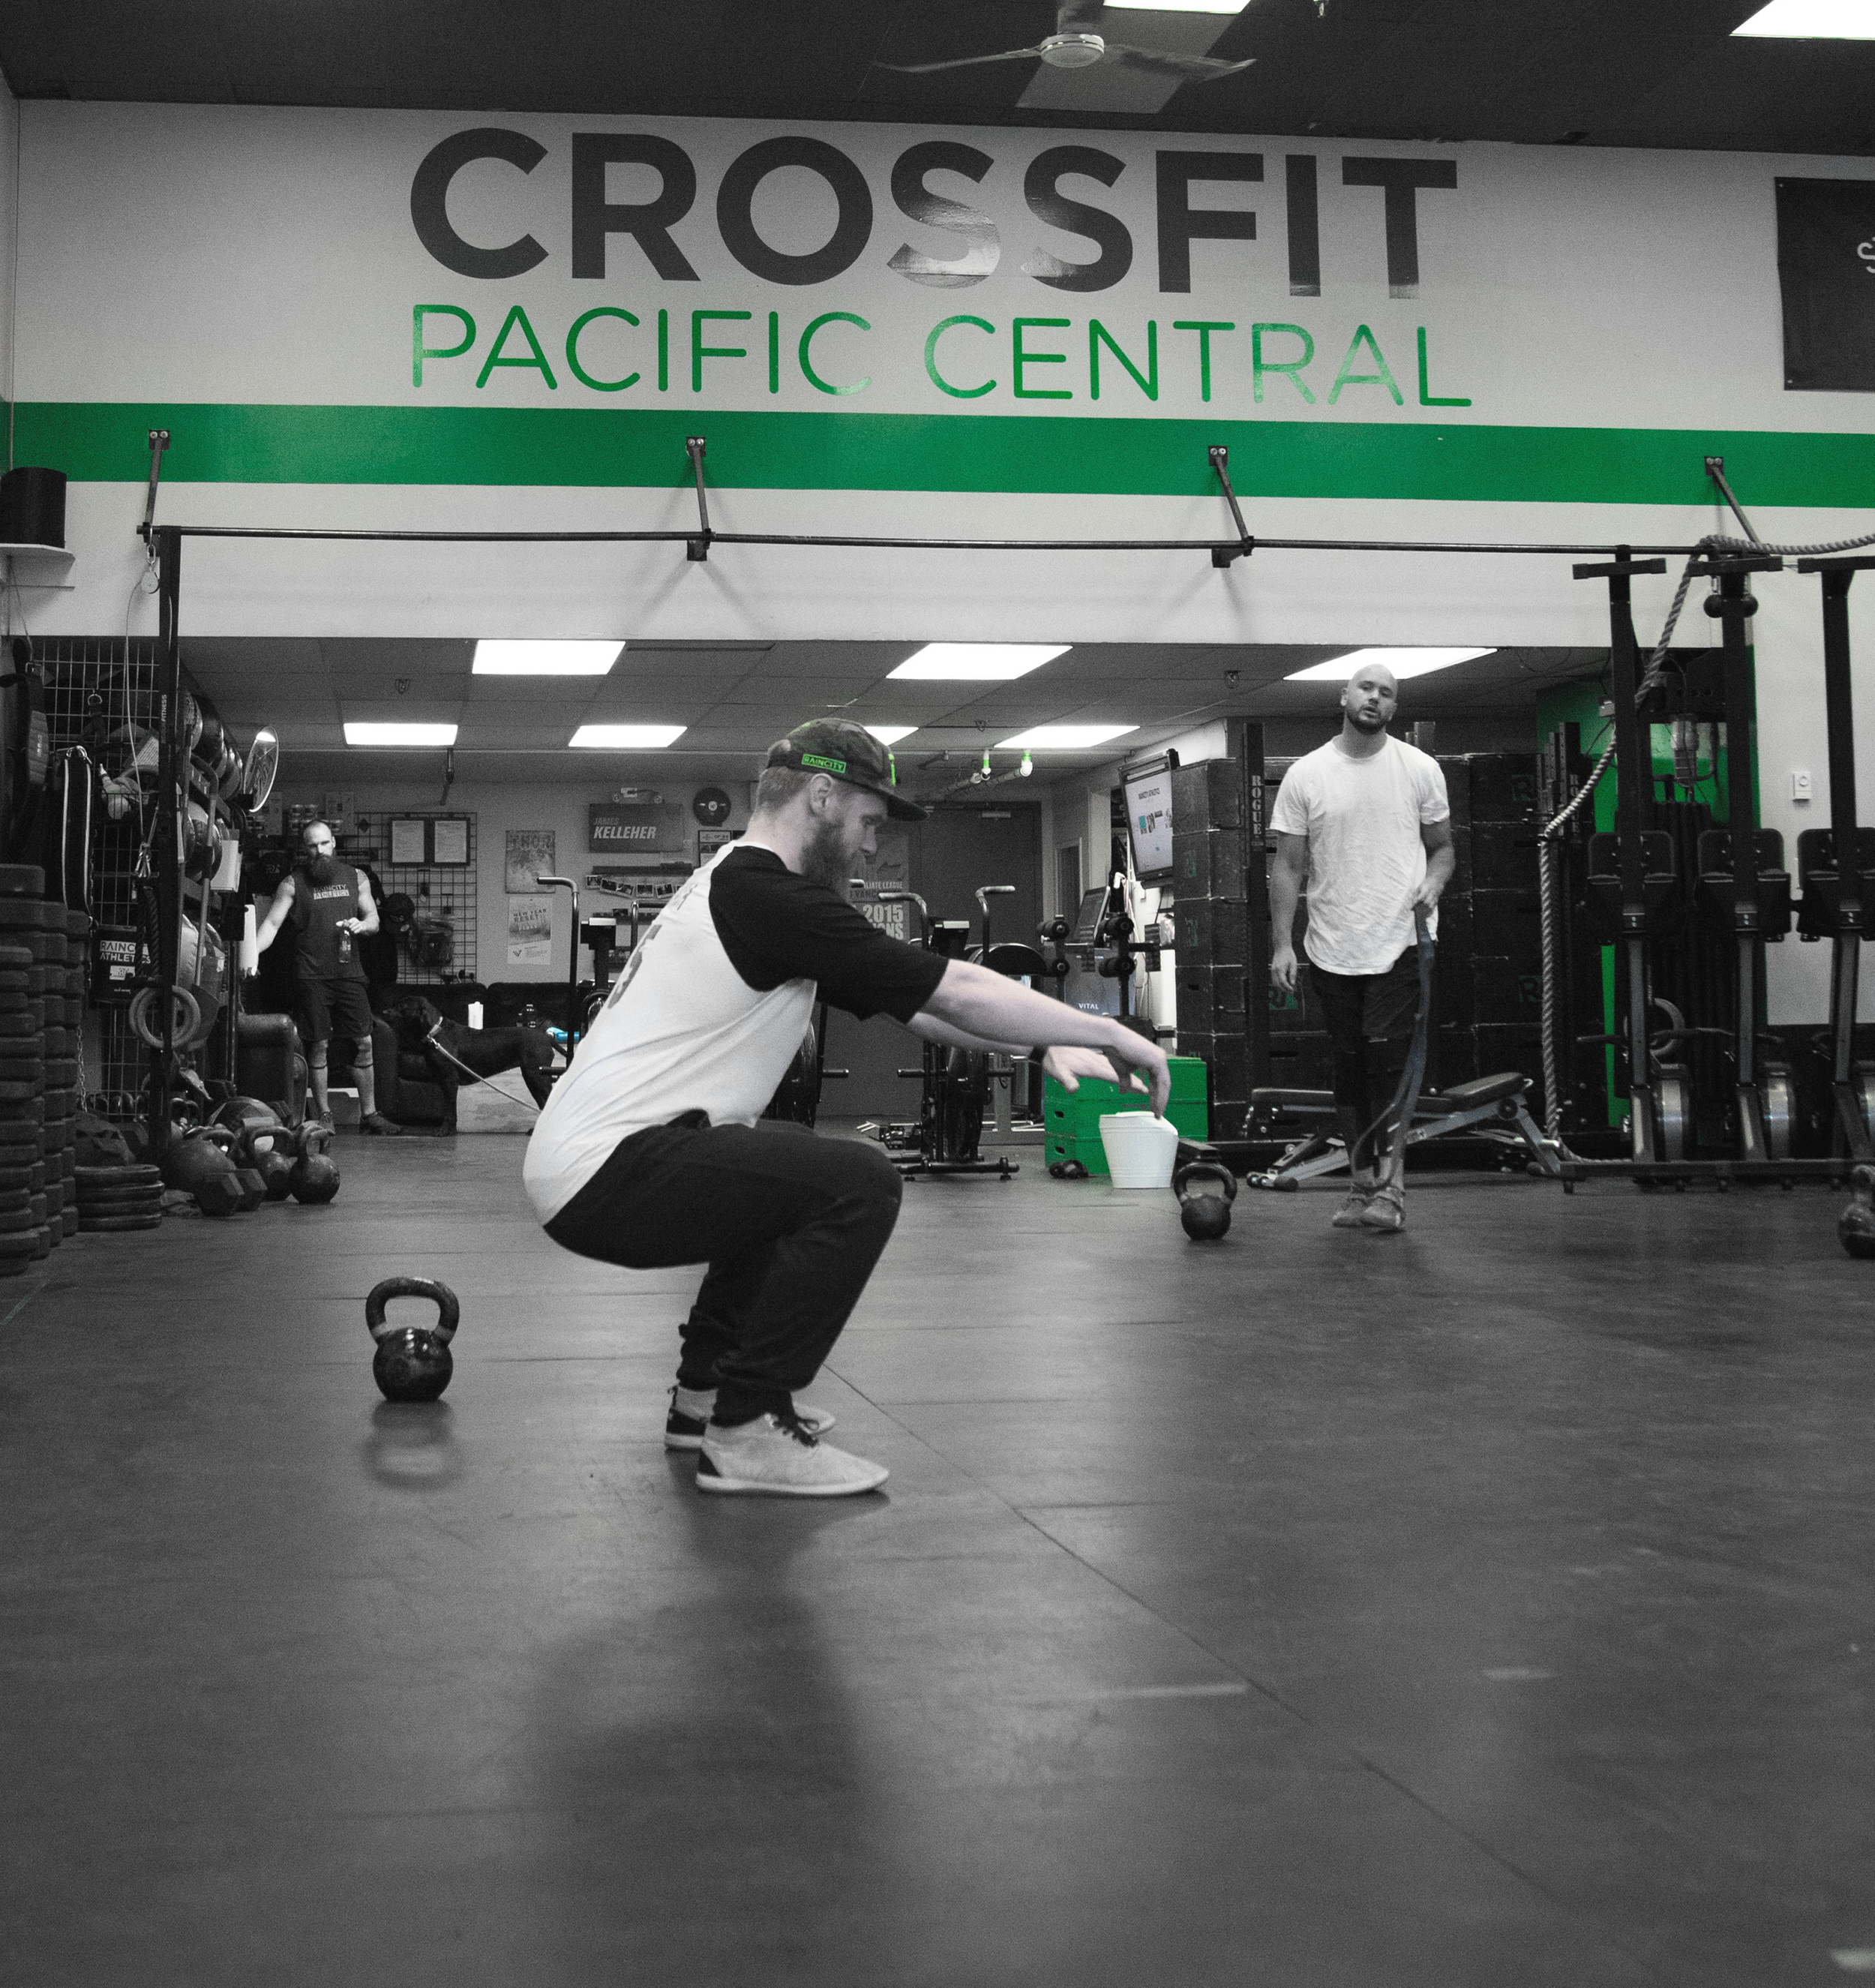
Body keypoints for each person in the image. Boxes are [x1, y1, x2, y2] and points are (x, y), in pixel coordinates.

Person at [524, 719, 1169, 1499]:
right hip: (607, 1170)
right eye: (868, 821)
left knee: (776, 1173)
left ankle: (704, 1401)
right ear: (821, 797)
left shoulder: (744, 886)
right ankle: (748, 1426)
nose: (871, 845)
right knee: (856, 1179)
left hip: (602, 1164)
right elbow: (955, 987)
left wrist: (1038, 1045)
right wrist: (1104, 1028)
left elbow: (921, 1005)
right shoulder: (764, 895)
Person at [1267, 662, 1452, 1234]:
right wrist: (1282, 945)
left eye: (1387, 693)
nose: (1375, 698)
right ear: (1344, 696)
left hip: (1399, 939)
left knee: (1385, 1064)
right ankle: (1360, 1183)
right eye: (1366, 688)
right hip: (1331, 944)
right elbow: (1288, 865)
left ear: (1394, 709)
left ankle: (1391, 1190)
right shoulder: (1307, 774)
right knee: (1348, 1067)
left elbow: (1443, 849)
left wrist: (1435, 881)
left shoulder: (1420, 769)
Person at [253, 820, 401, 1135]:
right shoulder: (292, 883)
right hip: (311, 977)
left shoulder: (356, 878)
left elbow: (374, 917)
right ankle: (324, 1116)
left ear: (334, 843)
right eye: (312, 845)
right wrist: (250, 955)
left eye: (324, 844)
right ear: (304, 849)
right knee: (318, 1044)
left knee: (364, 1042)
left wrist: (364, 926)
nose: (319, 851)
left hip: (350, 975)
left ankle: (370, 1115)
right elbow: (271, 926)